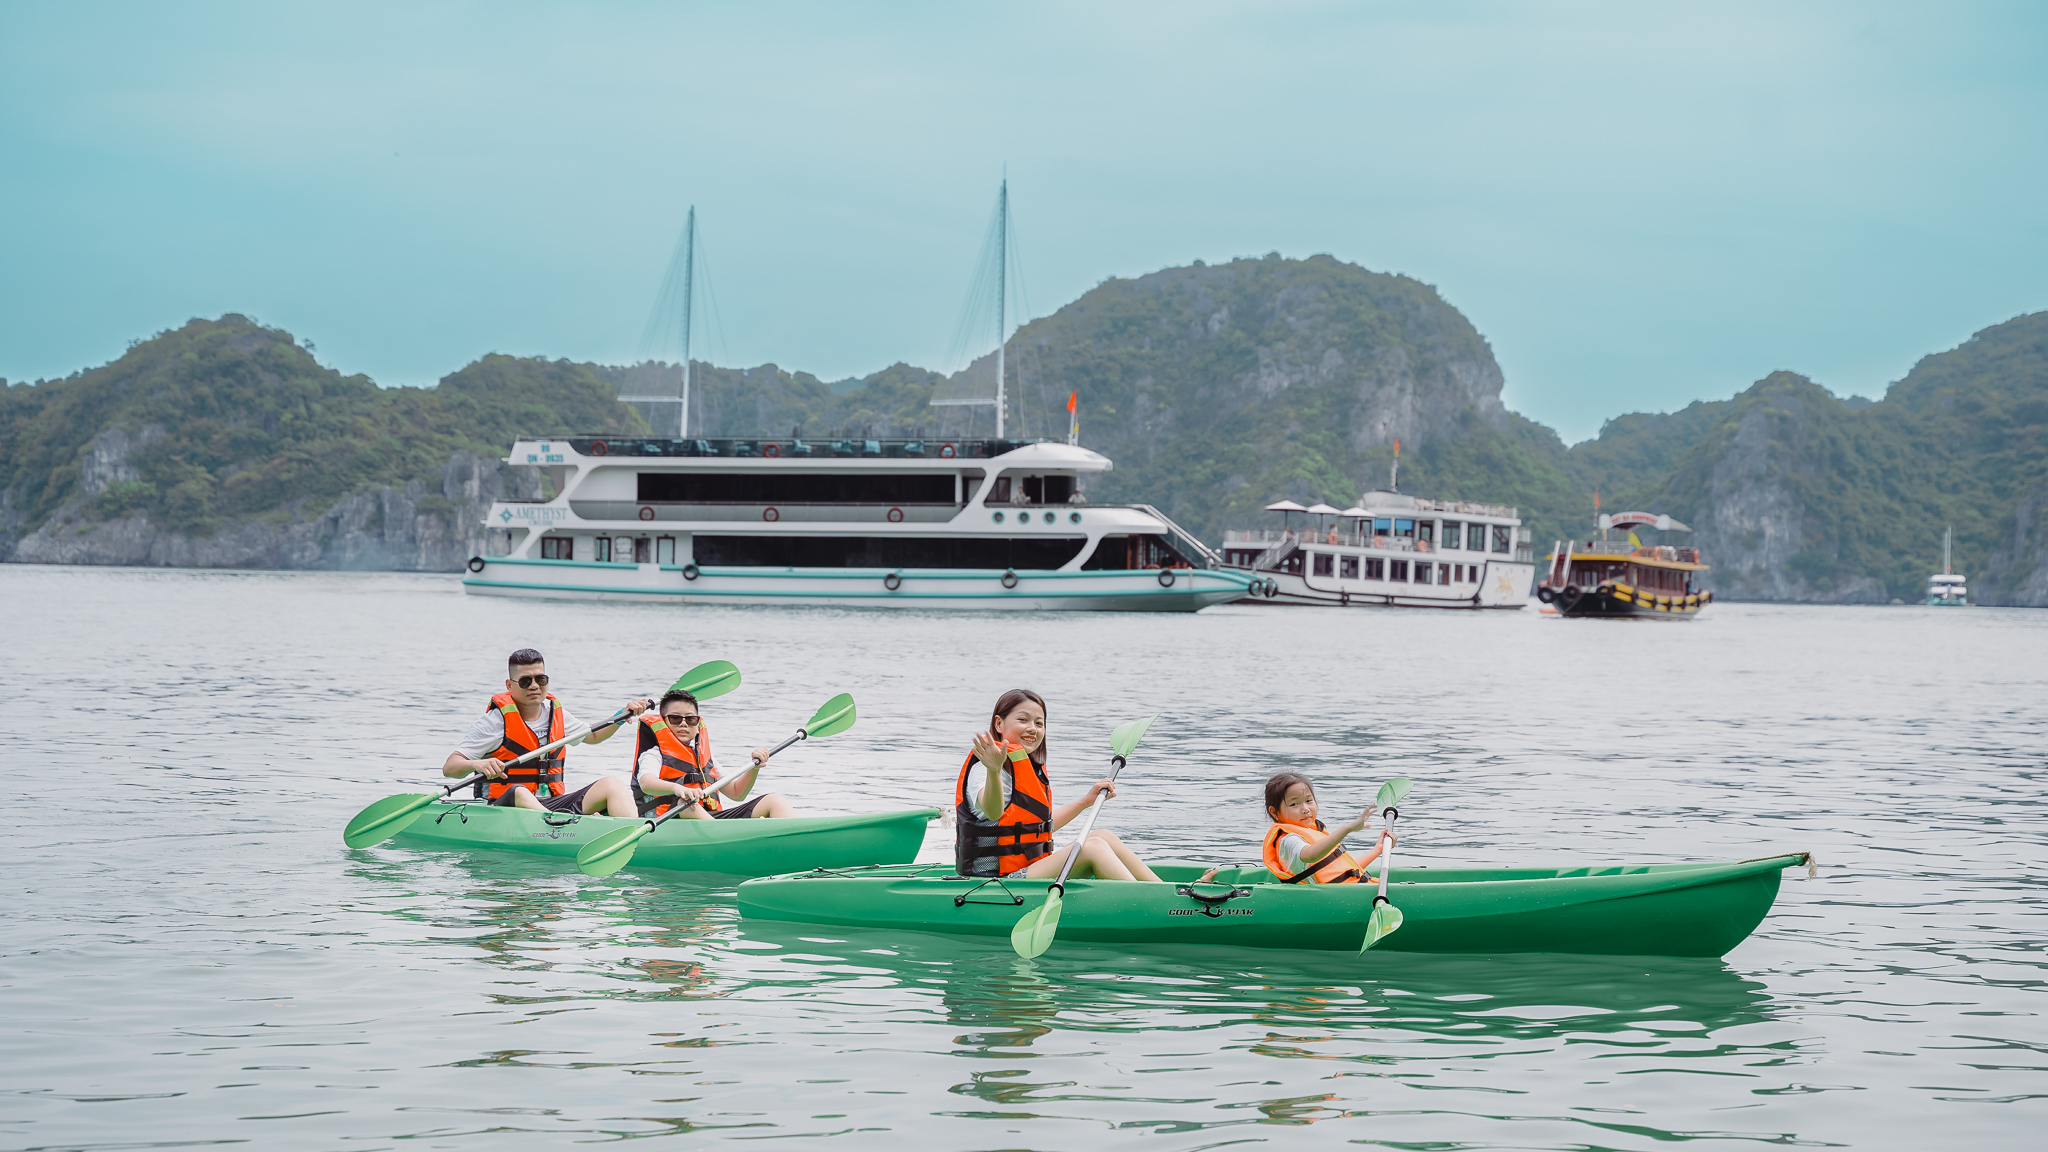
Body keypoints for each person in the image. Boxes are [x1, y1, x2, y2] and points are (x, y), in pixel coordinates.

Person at [955, 688, 1163, 881]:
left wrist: (1085, 802)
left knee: (1102, 836)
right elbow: (993, 812)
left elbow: (1037, 827)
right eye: (1023, 720)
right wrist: (993, 770)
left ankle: (1168, 893)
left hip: (1027, 869)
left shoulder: (1026, 768)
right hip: (994, 880)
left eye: (1039, 723)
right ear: (999, 724)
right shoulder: (984, 768)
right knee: (1093, 847)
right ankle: (1161, 907)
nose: (1032, 729)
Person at [441, 648, 647, 815]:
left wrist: (620, 716)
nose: (534, 686)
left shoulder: (556, 714)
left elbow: (593, 735)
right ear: (509, 685)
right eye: (525, 681)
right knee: (519, 791)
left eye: (540, 680)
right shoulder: (493, 723)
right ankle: (559, 827)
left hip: (552, 804)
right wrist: (477, 763)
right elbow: (450, 768)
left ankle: (633, 836)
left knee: (612, 785)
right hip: (505, 807)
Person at [631, 689, 793, 820]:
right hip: (671, 820)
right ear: (664, 722)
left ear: (697, 723)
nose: (683, 724)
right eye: (675, 718)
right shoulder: (653, 754)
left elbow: (737, 793)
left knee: (775, 800)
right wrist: (677, 788)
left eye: (690, 719)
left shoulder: (705, 758)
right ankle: (726, 840)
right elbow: (646, 782)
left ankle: (797, 840)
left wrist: (755, 768)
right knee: (687, 802)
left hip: (709, 819)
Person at [1259, 771, 1395, 884]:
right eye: (1294, 804)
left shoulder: (1311, 832)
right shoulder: (1289, 840)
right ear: (1274, 812)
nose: (1305, 809)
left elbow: (1347, 871)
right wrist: (1347, 828)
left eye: (1308, 801)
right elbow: (1311, 855)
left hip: (1346, 890)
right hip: (1333, 898)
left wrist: (1377, 850)